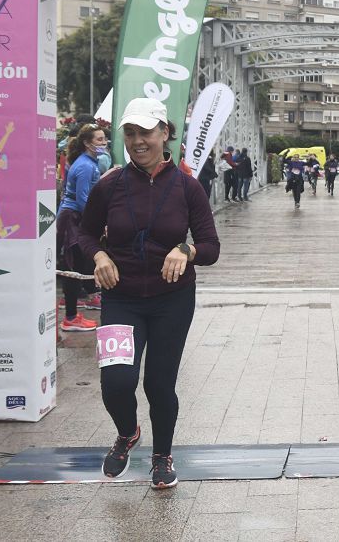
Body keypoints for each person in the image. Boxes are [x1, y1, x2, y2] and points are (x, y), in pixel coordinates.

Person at [78, 97, 220, 489]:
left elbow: (211, 247)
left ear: (165, 133)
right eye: (130, 133)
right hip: (121, 297)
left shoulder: (188, 187)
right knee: (116, 382)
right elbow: (84, 233)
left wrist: (186, 250)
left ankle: (162, 456)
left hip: (172, 300)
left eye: (146, 132)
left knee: (159, 384)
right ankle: (127, 433)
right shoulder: (111, 186)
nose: (138, 141)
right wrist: (100, 255)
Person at [56, 123, 107, 332]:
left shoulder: (89, 163)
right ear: (87, 143)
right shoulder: (85, 166)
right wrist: (98, 224)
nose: (104, 143)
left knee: (77, 265)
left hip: (75, 218)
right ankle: (70, 318)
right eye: (99, 140)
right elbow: (83, 200)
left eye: (105, 139)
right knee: (71, 268)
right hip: (71, 220)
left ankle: (72, 314)